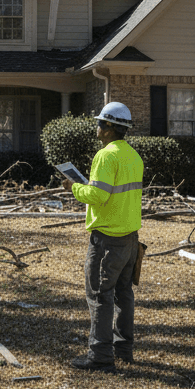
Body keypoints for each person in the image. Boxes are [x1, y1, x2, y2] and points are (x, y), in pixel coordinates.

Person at [60, 102, 144, 371]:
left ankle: (100, 356)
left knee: (99, 295)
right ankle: (123, 350)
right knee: (123, 295)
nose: (96, 127)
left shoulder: (106, 156)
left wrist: (74, 188)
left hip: (107, 239)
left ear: (109, 127)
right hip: (130, 238)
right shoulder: (133, 156)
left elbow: (98, 196)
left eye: (99, 123)